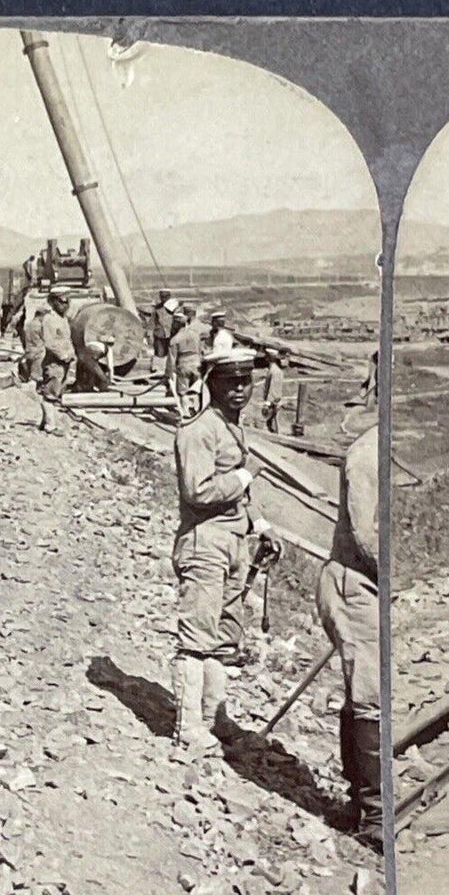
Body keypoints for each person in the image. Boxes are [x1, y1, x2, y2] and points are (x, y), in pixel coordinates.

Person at [170, 350, 274, 753]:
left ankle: (215, 716)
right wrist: (245, 475)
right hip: (205, 542)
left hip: (233, 541)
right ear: (211, 382)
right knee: (196, 637)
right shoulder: (199, 431)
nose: (240, 390)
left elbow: (239, 495)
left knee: (224, 636)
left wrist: (260, 525)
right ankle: (188, 726)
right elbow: (197, 493)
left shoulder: (232, 427)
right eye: (230, 382)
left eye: (245, 382)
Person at [317, 426, 381, 846]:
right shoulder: (365, 453)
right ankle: (373, 815)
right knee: (368, 697)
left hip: (367, 583)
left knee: (364, 694)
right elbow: (365, 537)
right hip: (353, 584)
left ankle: (363, 804)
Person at [37, 289, 74, 433]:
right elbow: (50, 342)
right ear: (52, 302)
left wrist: (71, 354)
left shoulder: (63, 319)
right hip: (55, 362)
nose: (65, 305)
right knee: (50, 394)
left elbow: (67, 339)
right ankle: (50, 426)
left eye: (67, 302)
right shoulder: (49, 319)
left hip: (64, 362)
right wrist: (63, 355)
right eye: (61, 302)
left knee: (55, 392)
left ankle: (44, 422)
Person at [166, 302, 204, 415]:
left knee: (183, 392)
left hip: (183, 365)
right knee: (196, 389)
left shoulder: (175, 339)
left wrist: (169, 374)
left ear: (177, 324)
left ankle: (186, 413)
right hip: (197, 365)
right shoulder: (195, 335)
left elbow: (172, 359)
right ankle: (197, 411)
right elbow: (200, 351)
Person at [152, 290, 177, 364]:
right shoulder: (157, 308)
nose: (164, 299)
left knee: (173, 356)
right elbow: (152, 322)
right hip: (160, 336)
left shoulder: (174, 307)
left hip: (172, 335)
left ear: (169, 296)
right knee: (160, 357)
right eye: (162, 297)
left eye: (166, 297)